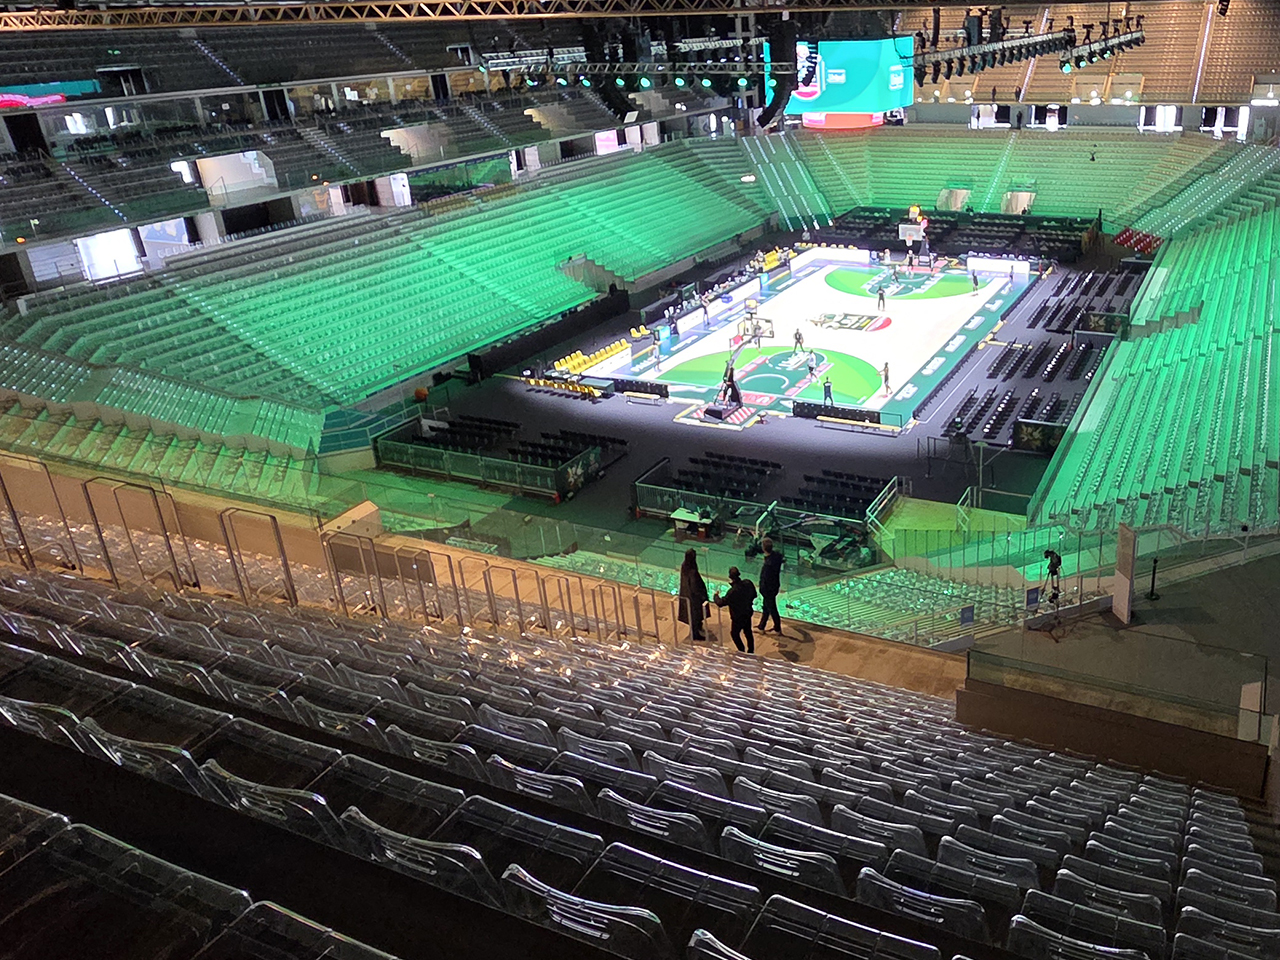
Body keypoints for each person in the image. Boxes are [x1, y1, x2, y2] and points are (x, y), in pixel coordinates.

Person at [715, 566, 758, 653]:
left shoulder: (732, 592)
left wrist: (716, 596)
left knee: (734, 634)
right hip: (747, 612)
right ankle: (751, 651)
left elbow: (721, 603)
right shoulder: (748, 583)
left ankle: (741, 650)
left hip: (737, 616)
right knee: (748, 632)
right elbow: (754, 595)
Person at [678, 548, 709, 640]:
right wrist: (701, 595)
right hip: (693, 597)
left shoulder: (685, 565)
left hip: (687, 594)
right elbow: (694, 585)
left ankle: (698, 626)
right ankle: (695, 634)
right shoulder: (692, 571)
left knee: (693, 614)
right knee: (695, 614)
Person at [757, 539, 784, 633]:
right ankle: (761, 626)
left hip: (768, 589)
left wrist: (762, 589)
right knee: (766, 607)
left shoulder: (768, 565)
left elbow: (765, 579)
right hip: (774, 586)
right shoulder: (776, 558)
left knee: (772, 608)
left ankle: (777, 628)